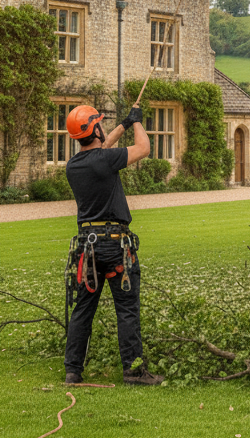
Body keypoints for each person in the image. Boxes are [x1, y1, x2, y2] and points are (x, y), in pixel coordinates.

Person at [63, 104, 164, 386]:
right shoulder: (105, 160)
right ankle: (133, 371)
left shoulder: (74, 165)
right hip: (115, 245)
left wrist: (123, 123)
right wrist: (137, 123)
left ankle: (73, 371)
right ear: (95, 129)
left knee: (82, 310)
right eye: (100, 123)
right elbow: (143, 148)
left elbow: (102, 148)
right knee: (127, 309)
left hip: (87, 247)